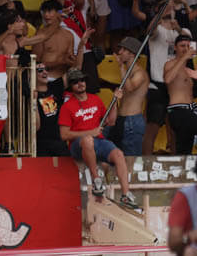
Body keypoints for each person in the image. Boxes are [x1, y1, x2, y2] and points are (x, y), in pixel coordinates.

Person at [59, 68, 139, 209]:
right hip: (78, 145)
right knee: (87, 140)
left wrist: (115, 102)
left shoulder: (95, 99)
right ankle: (96, 180)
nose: (80, 83)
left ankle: (126, 194)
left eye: (82, 80)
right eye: (75, 82)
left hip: (98, 141)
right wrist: (90, 132)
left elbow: (111, 121)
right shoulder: (67, 107)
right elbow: (64, 135)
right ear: (70, 86)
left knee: (118, 154)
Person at [108, 37, 149, 157]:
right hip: (122, 119)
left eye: (123, 49)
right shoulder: (129, 72)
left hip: (132, 121)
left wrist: (121, 67)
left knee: (131, 159)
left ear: (132, 54)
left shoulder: (140, 73)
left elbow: (130, 87)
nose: (119, 52)